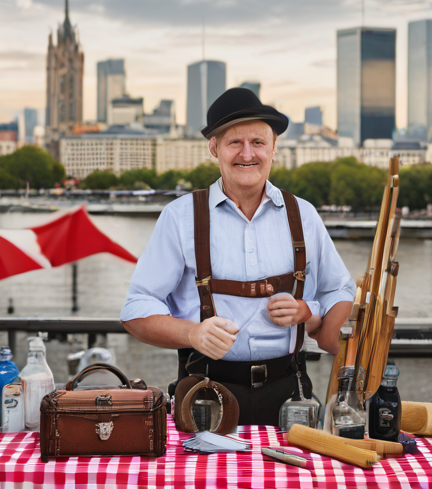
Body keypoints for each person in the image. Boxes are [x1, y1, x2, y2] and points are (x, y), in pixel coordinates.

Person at [121, 88, 356, 426]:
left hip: (291, 397)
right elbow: (135, 309)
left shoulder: (304, 215)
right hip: (205, 395)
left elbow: (339, 292)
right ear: (214, 148)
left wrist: (311, 312)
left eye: (258, 142)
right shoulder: (180, 217)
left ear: (274, 148)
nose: (248, 153)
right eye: (235, 143)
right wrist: (193, 333)